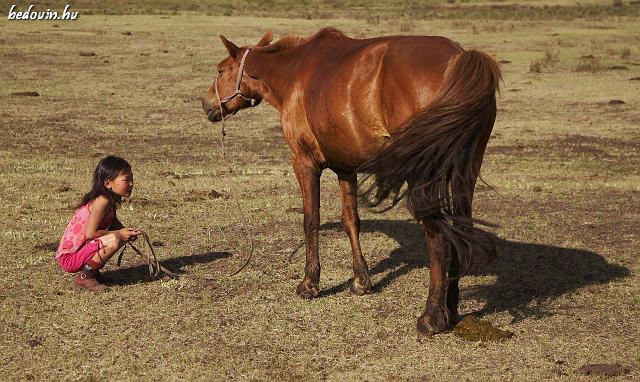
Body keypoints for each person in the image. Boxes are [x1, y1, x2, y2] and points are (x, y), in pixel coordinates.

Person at [56, 155, 142, 291]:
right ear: (108, 184)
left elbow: (112, 222)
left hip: (79, 252)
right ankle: (85, 277)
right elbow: (91, 234)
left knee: (117, 237)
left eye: (132, 178)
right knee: (114, 239)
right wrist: (120, 233)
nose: (131, 183)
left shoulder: (109, 200)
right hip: (70, 258)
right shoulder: (102, 201)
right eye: (126, 180)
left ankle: (93, 273)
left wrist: (126, 231)